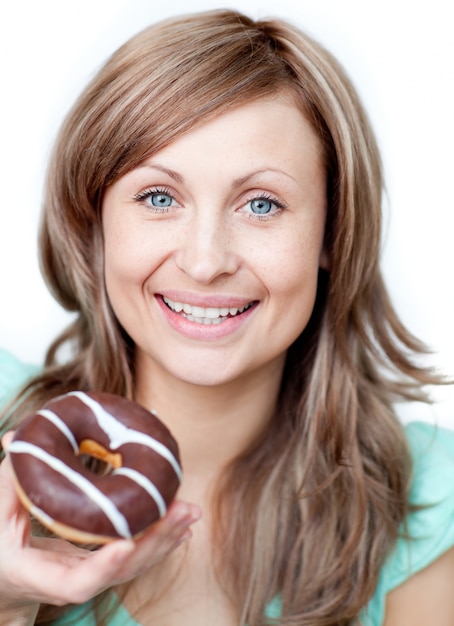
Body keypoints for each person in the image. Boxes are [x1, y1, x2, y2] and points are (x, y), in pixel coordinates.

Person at [0, 8, 453, 626]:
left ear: (331, 233)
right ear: (95, 222)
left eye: (261, 204)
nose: (205, 261)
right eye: (159, 197)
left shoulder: (424, 496)